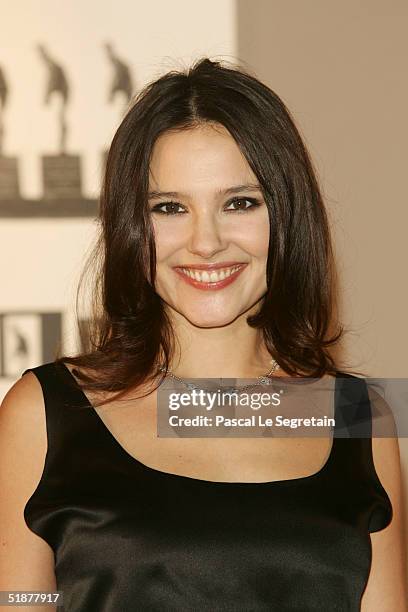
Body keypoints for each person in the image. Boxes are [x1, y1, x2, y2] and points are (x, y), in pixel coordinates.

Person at [0, 57, 406, 611]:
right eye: (169, 208)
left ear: (288, 215)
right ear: (129, 228)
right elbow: (19, 600)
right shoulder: (43, 414)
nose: (205, 242)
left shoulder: (360, 416)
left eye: (240, 203)